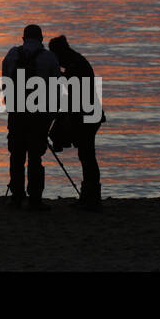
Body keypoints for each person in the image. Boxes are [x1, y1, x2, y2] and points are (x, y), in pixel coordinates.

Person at [2, 24, 60, 210]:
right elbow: (57, 88)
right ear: (41, 39)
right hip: (39, 115)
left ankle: (17, 196)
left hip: (17, 114)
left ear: (23, 38)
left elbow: (5, 83)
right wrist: (51, 116)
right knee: (35, 157)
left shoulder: (12, 54)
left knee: (16, 155)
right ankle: (35, 198)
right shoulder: (49, 57)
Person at [48, 34, 104, 210]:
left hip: (87, 116)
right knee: (86, 154)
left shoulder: (75, 65)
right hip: (88, 114)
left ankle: (91, 198)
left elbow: (72, 93)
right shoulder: (76, 62)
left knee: (87, 155)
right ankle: (89, 196)